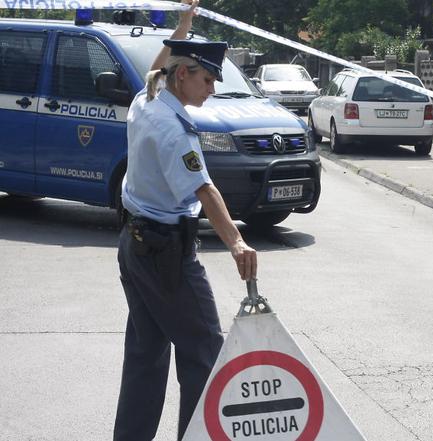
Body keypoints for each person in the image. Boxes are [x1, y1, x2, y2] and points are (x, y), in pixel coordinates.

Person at [113, 2, 257, 440]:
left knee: (146, 354)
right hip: (165, 253)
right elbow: (205, 190)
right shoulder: (175, 131)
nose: (212, 89)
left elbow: (158, 66)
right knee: (205, 352)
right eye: (207, 79)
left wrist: (183, 27)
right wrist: (236, 242)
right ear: (182, 76)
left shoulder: (147, 100)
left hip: (134, 243)